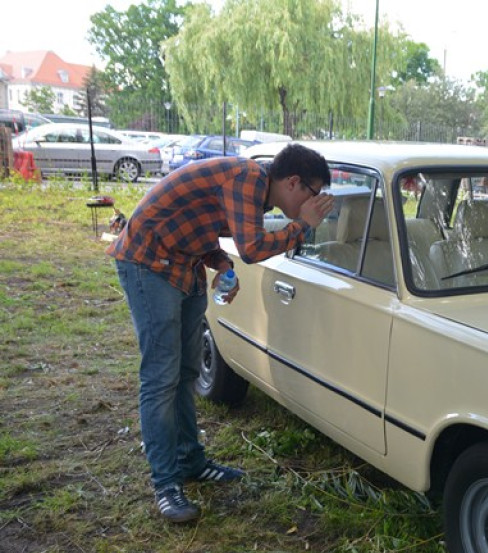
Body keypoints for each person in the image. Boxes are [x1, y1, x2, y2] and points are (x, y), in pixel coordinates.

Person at [107, 144, 335, 523]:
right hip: (148, 263)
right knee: (161, 378)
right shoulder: (248, 178)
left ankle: (191, 462)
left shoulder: (256, 191)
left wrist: (219, 261)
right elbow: (253, 249)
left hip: (184, 265)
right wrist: (303, 226)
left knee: (186, 374)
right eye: (315, 194)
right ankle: (166, 484)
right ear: (293, 182)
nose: (319, 202)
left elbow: (202, 223)